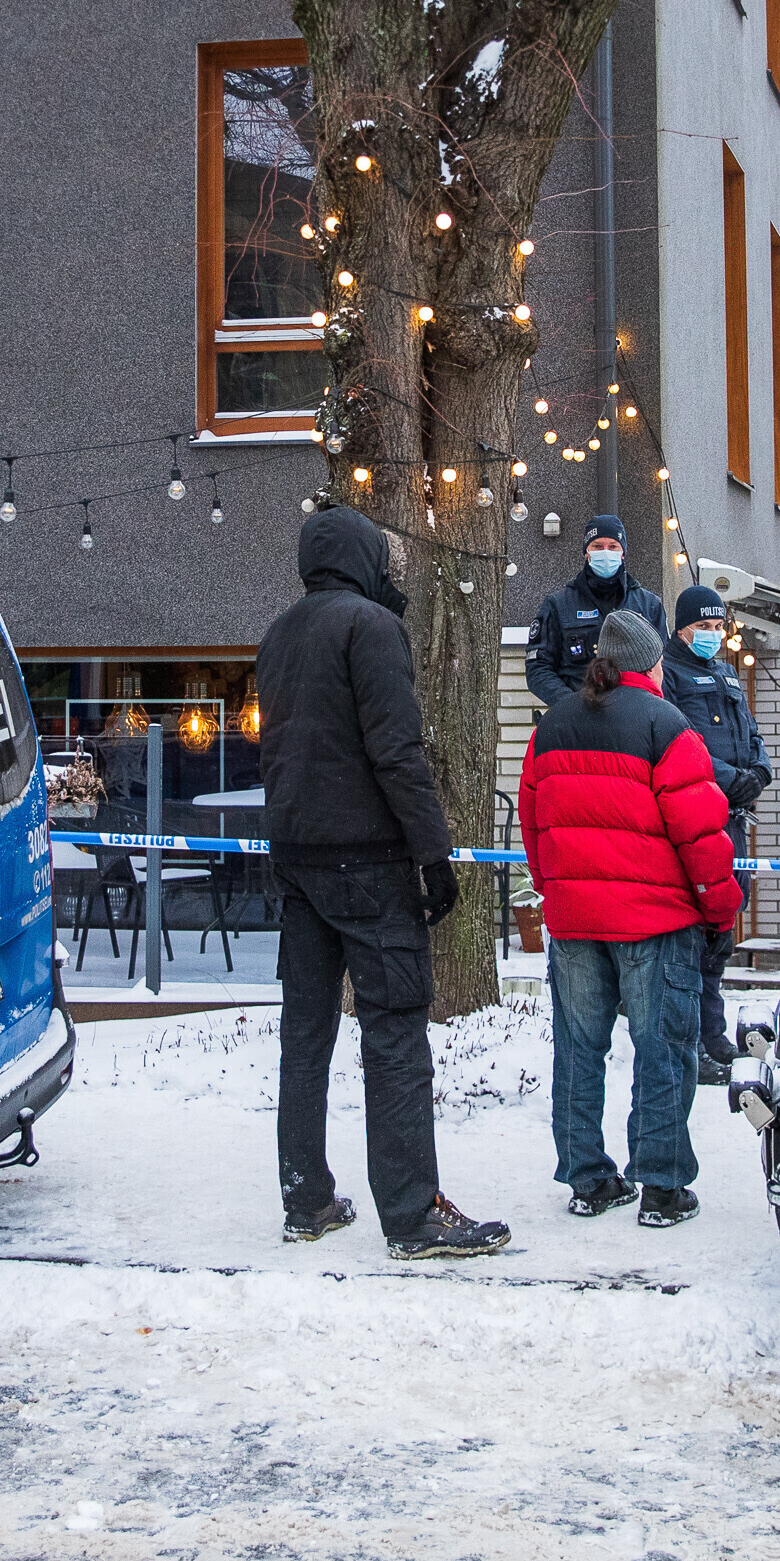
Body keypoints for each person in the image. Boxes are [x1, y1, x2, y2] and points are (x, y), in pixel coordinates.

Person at [254, 505, 510, 1260]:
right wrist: (434, 855)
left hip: (297, 859)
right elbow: (398, 752)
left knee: (305, 1035)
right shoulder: (371, 627)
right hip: (367, 863)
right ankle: (412, 1212)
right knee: (395, 1032)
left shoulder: (279, 634)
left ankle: (306, 1198)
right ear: (365, 559)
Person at [520, 610, 742, 1228]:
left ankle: (588, 1178)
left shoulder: (551, 726)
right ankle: (662, 1186)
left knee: (578, 1051)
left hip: (574, 921)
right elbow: (701, 833)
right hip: (656, 922)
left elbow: (533, 824)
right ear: (651, 663)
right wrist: (720, 909)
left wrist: (553, 889)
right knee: (663, 1049)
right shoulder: (665, 725)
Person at [658, 582, 769, 1082]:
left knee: (723, 928)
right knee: (698, 935)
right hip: (698, 816)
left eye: (718, 626)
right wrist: (727, 779)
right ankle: (695, 1041)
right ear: (682, 628)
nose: (713, 634)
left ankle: (715, 1034)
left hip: (734, 819)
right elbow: (680, 742)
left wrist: (759, 773)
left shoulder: (726, 671)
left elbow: (753, 733)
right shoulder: (668, 674)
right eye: (703, 626)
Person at [524, 515, 668, 710]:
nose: (605, 552)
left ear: (623, 552)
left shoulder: (648, 605)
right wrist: (573, 706)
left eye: (613, 546)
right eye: (597, 546)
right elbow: (538, 668)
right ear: (587, 552)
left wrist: (654, 709)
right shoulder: (558, 605)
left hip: (638, 714)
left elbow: (665, 664)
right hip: (579, 717)